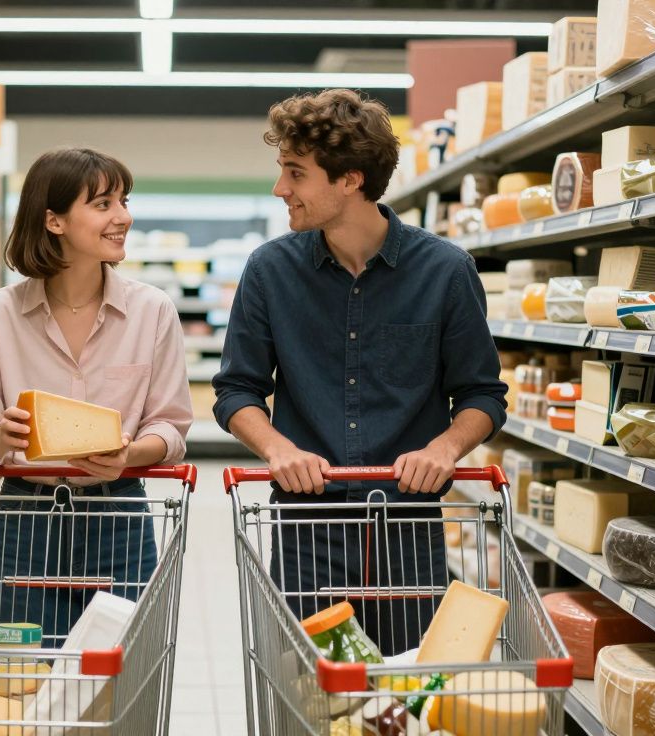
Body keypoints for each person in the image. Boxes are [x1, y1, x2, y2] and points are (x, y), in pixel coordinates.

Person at [212, 89, 508, 655]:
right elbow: (236, 391)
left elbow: (481, 394)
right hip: (308, 528)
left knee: (405, 694)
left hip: (407, 527)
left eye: (295, 173)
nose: (281, 189)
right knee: (310, 695)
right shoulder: (270, 272)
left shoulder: (445, 272)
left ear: (349, 179)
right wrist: (277, 449)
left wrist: (446, 447)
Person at [0, 146, 193, 642]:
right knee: (31, 676)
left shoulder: (153, 311)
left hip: (119, 515)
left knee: (120, 680)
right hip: (27, 519)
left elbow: (169, 427)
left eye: (124, 202)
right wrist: (0, 437)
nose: (122, 217)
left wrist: (129, 453)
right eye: (103, 205)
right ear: (54, 221)